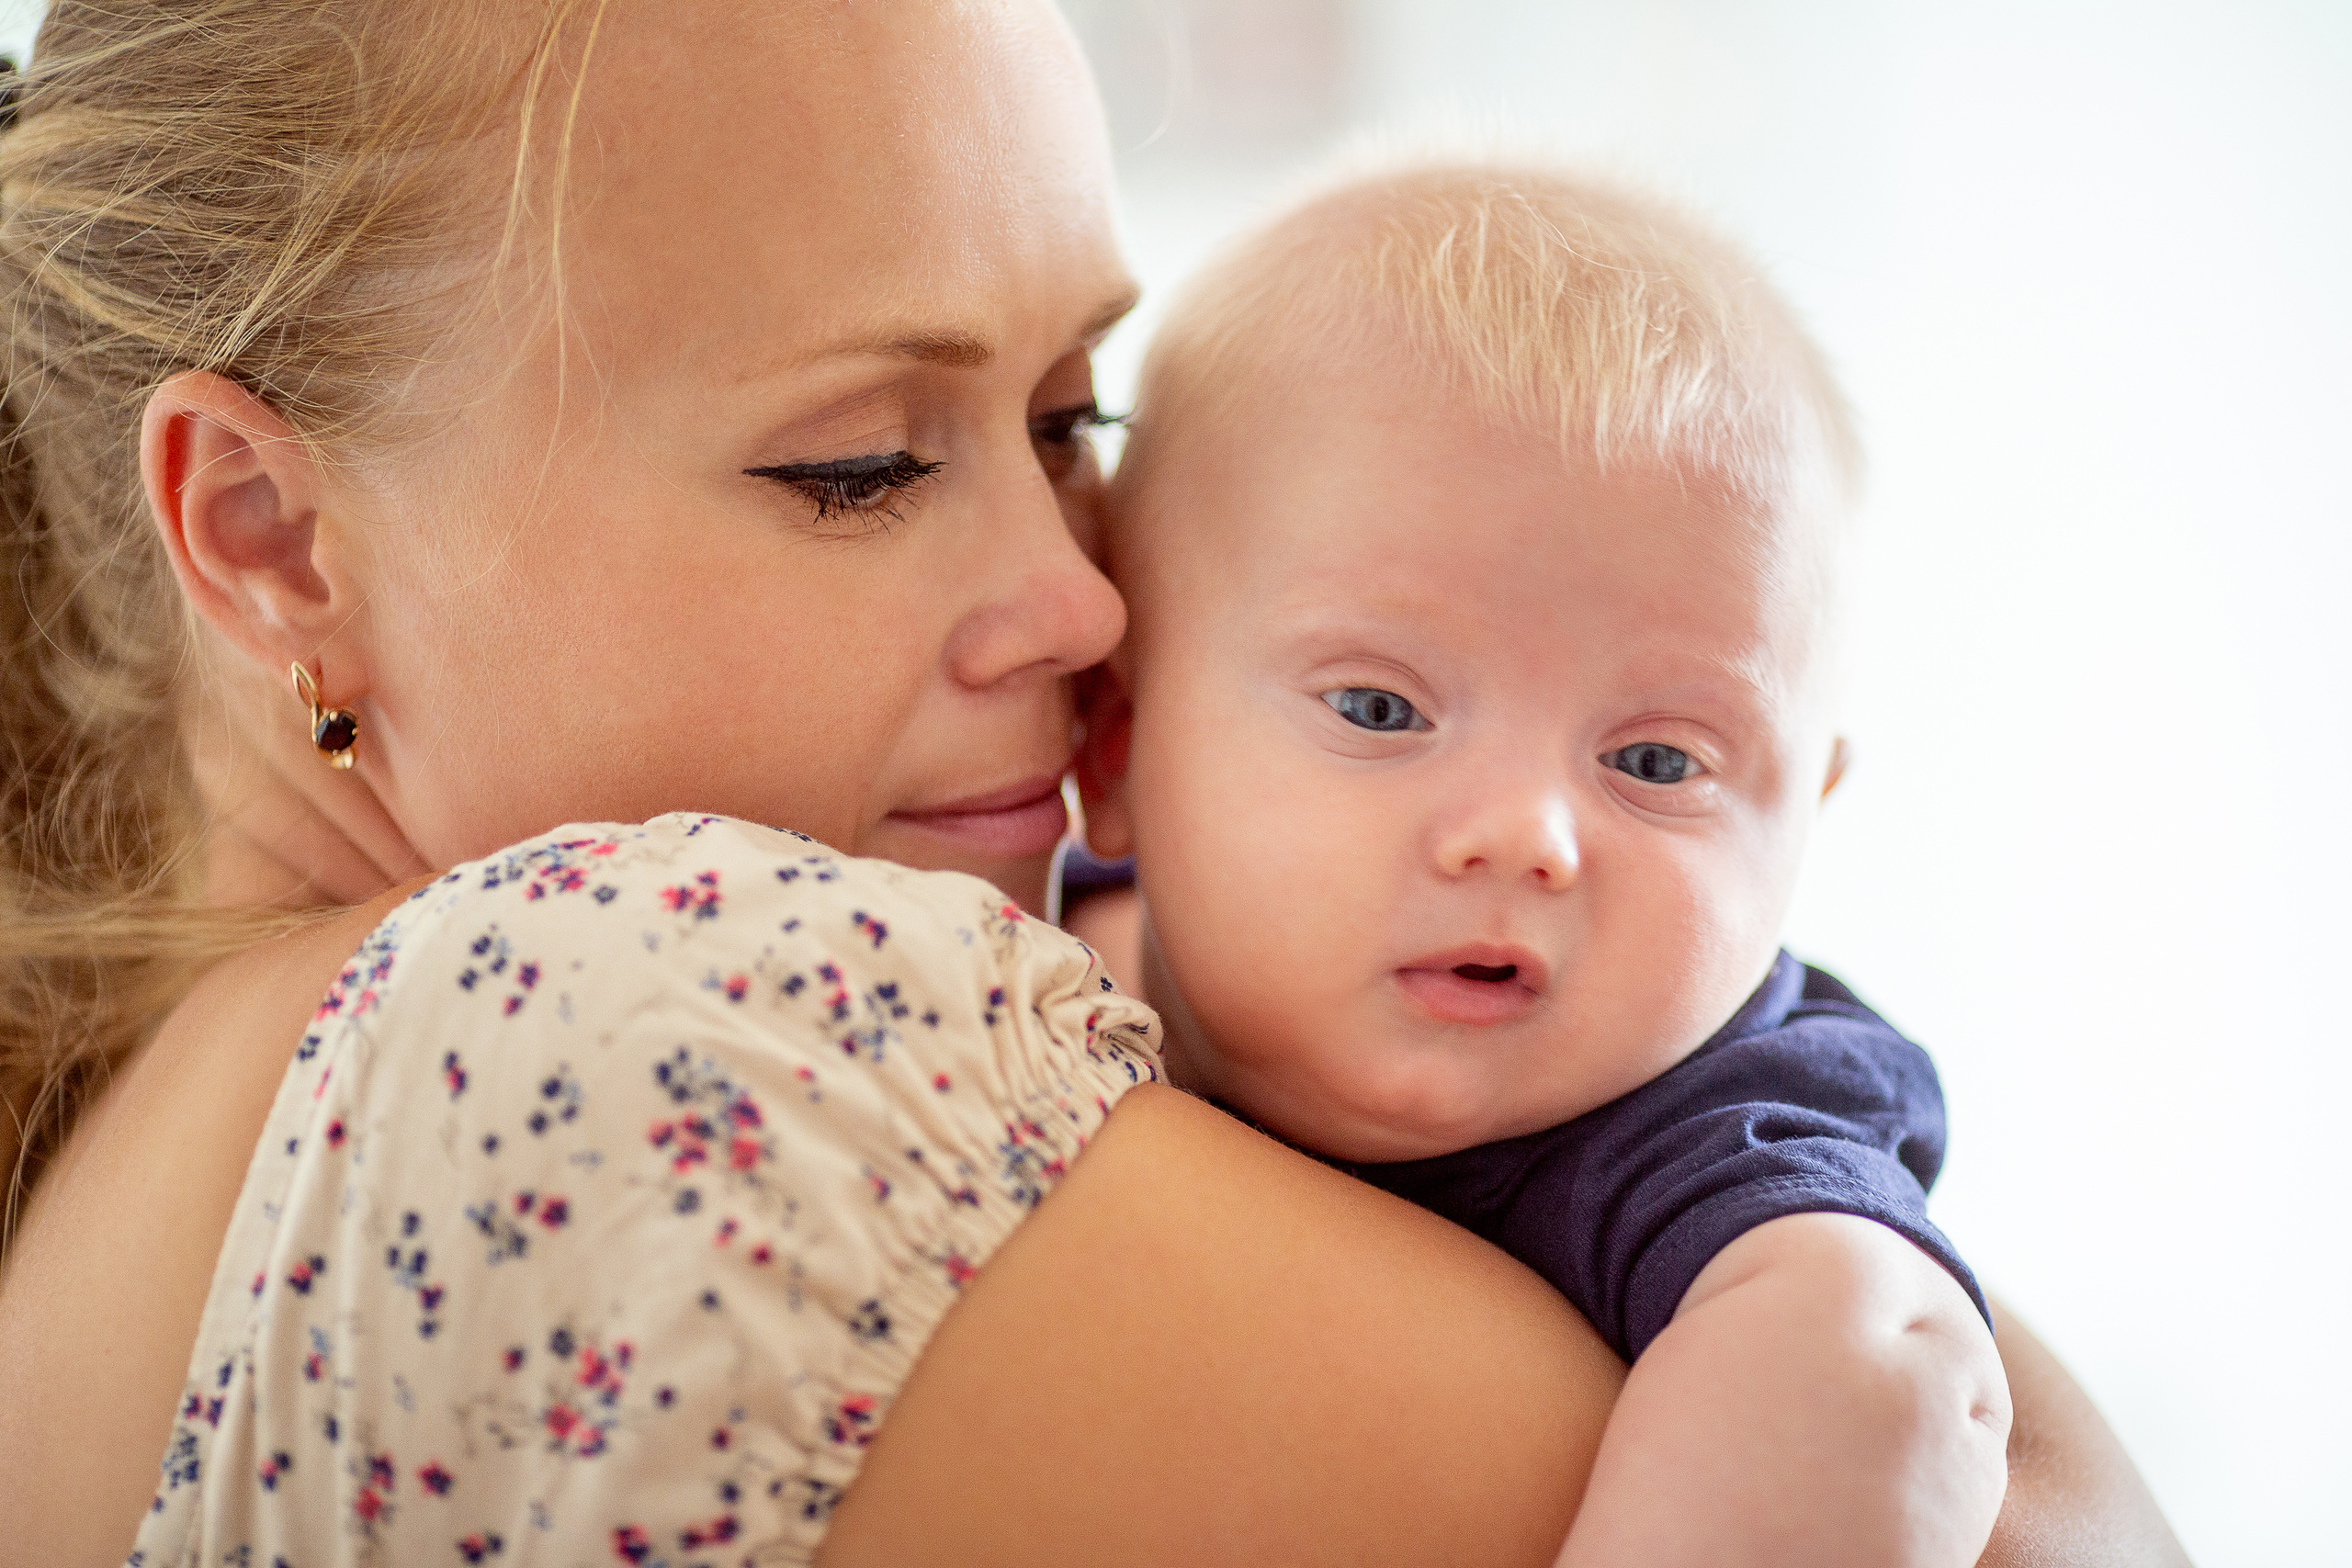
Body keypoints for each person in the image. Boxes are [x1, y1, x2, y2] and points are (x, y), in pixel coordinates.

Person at [0, 3, 2187, 1565]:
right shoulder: (641, 1016)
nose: (1078, 600)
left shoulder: (101, 1178)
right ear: (274, 536)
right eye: (855, 464)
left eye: (1073, 418)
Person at [1069, 160, 2006, 1564]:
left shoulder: (1697, 1129)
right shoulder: (999, 953)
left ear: (1803, 820)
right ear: (1119, 743)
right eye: (1382, 711)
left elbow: (1880, 1361)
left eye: (1657, 763)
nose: (1527, 836)